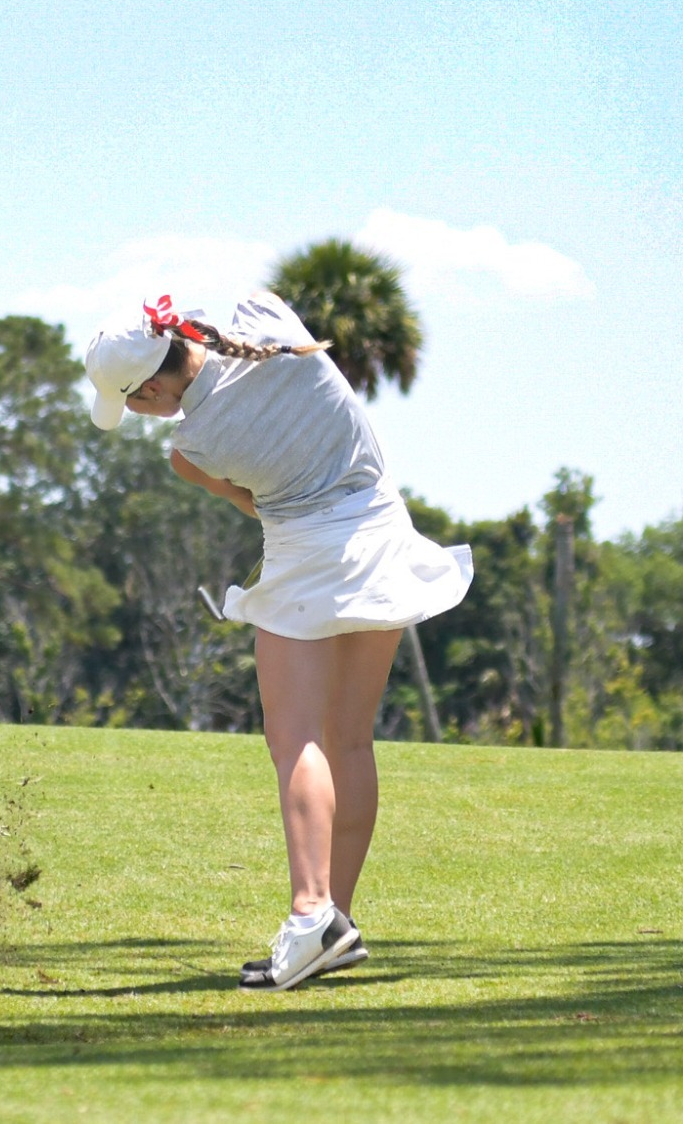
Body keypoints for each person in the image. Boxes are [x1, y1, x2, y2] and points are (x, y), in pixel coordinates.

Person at [85, 290, 472, 991]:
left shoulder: (193, 447)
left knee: (295, 739)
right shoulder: (262, 315)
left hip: (308, 552)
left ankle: (311, 913)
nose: (140, 414)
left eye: (134, 403)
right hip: (383, 529)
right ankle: (336, 923)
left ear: (149, 387)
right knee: (349, 738)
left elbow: (254, 504)